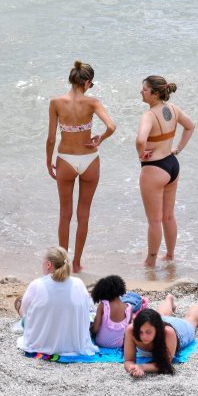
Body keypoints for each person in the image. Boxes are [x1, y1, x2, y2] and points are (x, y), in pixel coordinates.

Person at [46, 60, 116, 272]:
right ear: (87, 82)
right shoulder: (93, 103)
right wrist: (100, 139)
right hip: (90, 160)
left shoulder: (56, 102)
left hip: (65, 159)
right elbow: (112, 126)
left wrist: (49, 161)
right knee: (83, 214)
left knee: (64, 214)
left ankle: (63, 264)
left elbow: (50, 139)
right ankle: (77, 263)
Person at [136, 76, 195, 267]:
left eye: (144, 89)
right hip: (171, 164)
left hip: (154, 169)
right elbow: (190, 126)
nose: (141, 92)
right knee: (168, 216)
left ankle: (150, 261)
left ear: (154, 93)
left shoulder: (149, 115)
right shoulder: (173, 109)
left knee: (154, 220)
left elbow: (140, 140)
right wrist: (177, 149)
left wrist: (141, 154)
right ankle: (170, 255)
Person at [16, 247, 98, 356]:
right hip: (73, 344)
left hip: (40, 343)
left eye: (43, 262)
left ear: (49, 265)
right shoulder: (78, 283)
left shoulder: (37, 284)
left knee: (21, 306)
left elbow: (25, 310)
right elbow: (88, 308)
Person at [123, 293, 198, 376]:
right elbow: (129, 361)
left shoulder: (168, 333)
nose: (144, 337)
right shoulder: (132, 330)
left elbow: (165, 363)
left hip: (180, 329)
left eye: (148, 332)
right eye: (140, 332)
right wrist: (133, 368)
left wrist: (142, 367)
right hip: (160, 321)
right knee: (161, 315)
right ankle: (169, 299)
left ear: (157, 329)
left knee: (191, 319)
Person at [90, 275, 144, 348]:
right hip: (118, 345)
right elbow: (127, 331)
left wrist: (90, 329)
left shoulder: (103, 305)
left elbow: (95, 329)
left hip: (100, 343)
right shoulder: (129, 308)